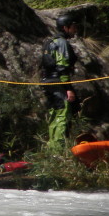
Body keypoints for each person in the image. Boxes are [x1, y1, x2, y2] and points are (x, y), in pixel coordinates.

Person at [41, 14, 80, 149]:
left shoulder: (49, 42)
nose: (75, 30)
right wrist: (68, 88)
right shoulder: (62, 43)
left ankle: (51, 149)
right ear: (65, 27)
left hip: (48, 83)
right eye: (73, 27)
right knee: (62, 116)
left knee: (54, 114)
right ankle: (58, 150)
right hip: (59, 84)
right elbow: (62, 67)